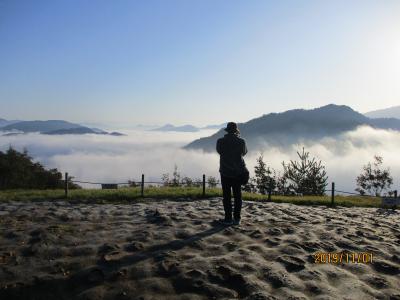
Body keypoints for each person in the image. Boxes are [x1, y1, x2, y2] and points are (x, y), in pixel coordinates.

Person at [216, 122, 248, 225]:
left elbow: (219, 151)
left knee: (226, 196)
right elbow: (244, 153)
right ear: (236, 131)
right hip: (238, 172)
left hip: (225, 171)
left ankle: (228, 218)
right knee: (238, 195)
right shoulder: (241, 141)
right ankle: (237, 218)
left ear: (227, 130)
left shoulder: (220, 141)